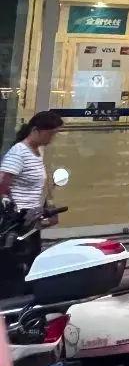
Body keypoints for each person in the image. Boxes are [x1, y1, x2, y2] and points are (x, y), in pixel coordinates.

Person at [0, 111, 64, 294]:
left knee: (32, 265)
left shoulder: (37, 151)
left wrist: (49, 207)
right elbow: (2, 185)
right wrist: (14, 213)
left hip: (32, 222)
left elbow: (40, 185)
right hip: (18, 222)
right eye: (50, 133)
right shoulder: (18, 152)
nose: (52, 138)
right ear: (36, 130)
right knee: (16, 270)